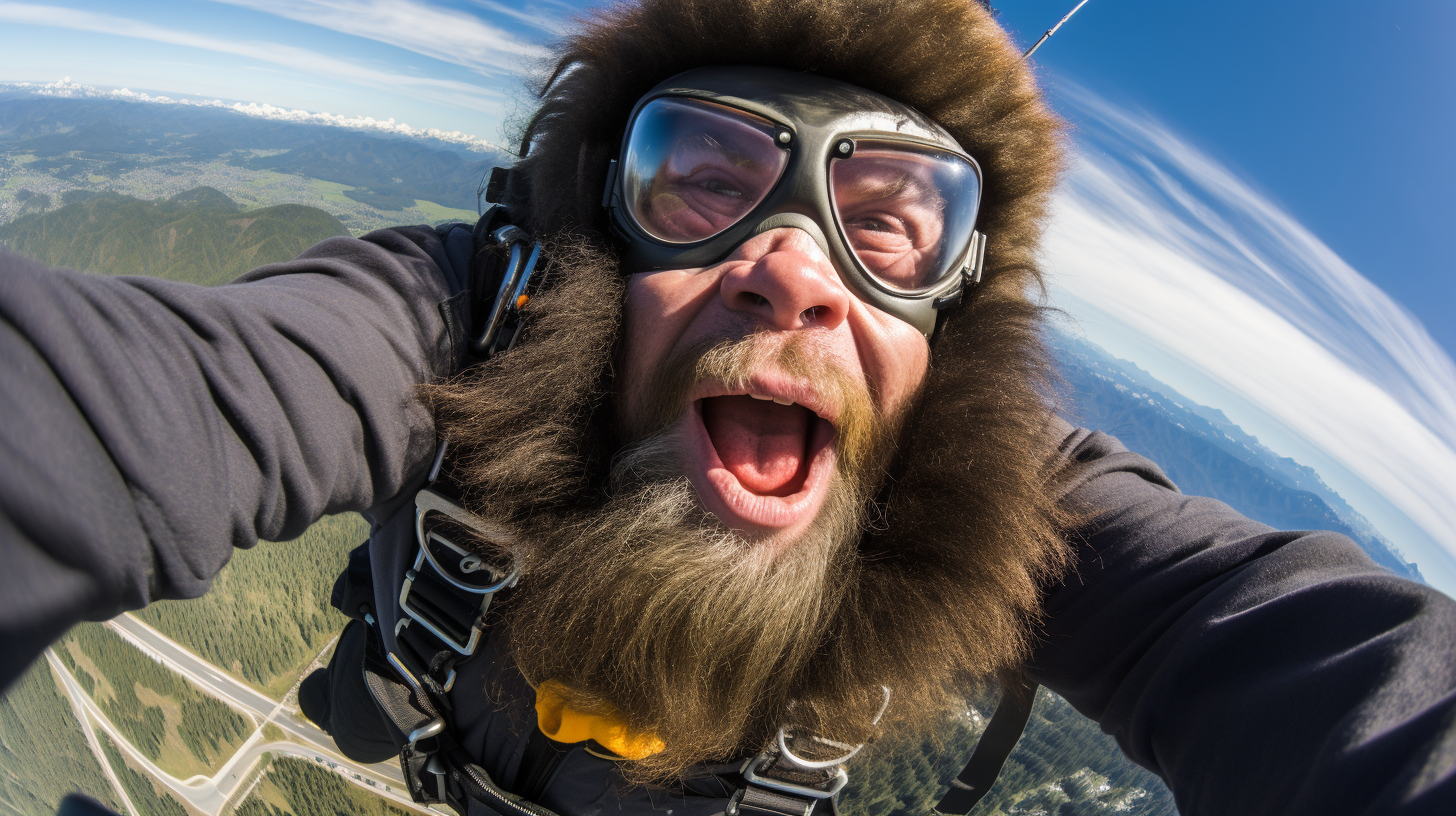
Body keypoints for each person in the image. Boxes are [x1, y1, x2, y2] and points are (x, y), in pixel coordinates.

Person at [2, 0, 1454, 814]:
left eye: (890, 222)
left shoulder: (999, 489)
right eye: (702, 178)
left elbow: (1295, 648)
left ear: (954, 315)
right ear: (595, 237)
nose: (791, 270)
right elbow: (124, 407)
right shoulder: (459, 327)